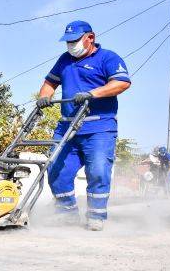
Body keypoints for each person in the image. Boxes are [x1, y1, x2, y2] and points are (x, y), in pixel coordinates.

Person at [37, 20, 131, 231]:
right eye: (68, 42)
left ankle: (96, 216)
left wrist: (92, 93)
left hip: (98, 127)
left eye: (75, 40)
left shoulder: (108, 58)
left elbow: (122, 82)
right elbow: (50, 83)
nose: (71, 45)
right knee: (56, 170)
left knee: (98, 170)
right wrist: (44, 96)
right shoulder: (64, 60)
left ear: (90, 38)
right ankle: (67, 214)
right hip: (67, 128)